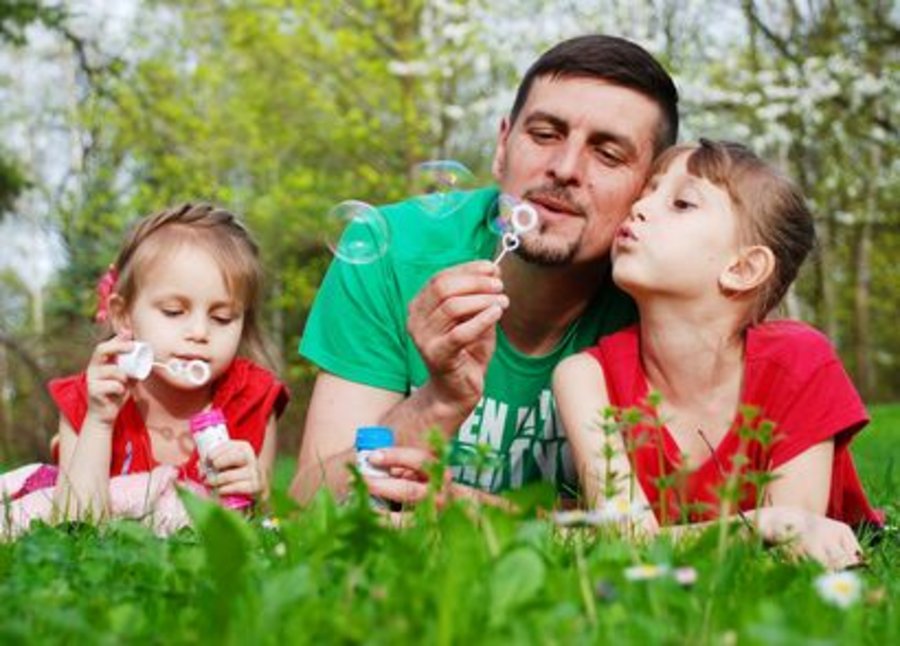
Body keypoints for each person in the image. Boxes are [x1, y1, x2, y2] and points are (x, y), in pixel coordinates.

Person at [292, 34, 679, 504]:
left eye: (608, 153)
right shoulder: (388, 249)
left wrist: (471, 512)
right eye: (544, 135)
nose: (564, 167)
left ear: (648, 190)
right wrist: (438, 401)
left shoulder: (663, 296)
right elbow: (308, 502)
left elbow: (667, 527)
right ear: (502, 147)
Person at [552, 139, 882, 569]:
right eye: (646, 192)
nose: (640, 207)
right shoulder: (583, 376)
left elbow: (796, 542)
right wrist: (759, 523)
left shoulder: (800, 362)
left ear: (742, 268)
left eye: (682, 203)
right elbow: (626, 540)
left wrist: (778, 526)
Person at [1, 203, 288, 535]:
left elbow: (260, 529)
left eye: (222, 317)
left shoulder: (252, 400)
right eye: (173, 311)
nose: (199, 332)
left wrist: (257, 490)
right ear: (123, 315)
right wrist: (99, 420)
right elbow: (74, 523)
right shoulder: (89, 398)